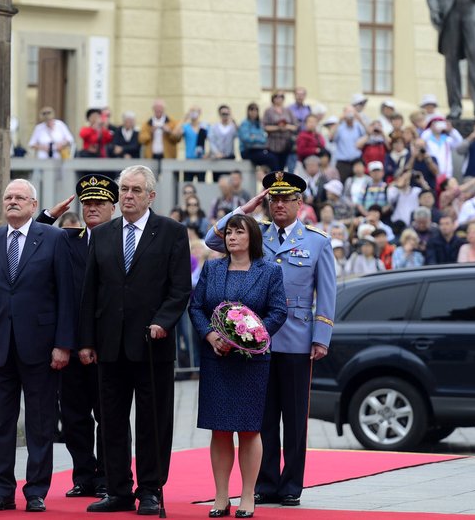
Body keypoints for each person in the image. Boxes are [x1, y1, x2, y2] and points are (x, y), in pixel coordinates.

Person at [204, 171, 336, 508]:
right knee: (260, 417)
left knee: (293, 416)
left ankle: (291, 483)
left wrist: (321, 336)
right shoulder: (256, 232)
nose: (278, 204)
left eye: (285, 199)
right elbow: (213, 240)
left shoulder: (317, 240)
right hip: (251, 341)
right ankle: (265, 482)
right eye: (272, 199)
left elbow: (327, 292)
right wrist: (245, 210)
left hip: (295, 337)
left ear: (298, 203)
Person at [79, 165, 192, 515]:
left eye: (135, 190)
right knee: (111, 420)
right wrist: (86, 341)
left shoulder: (172, 232)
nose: (127, 196)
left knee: (152, 422)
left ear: (151, 196)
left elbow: (180, 288)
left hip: (151, 344)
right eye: (124, 190)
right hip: (109, 343)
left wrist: (163, 322)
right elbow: (90, 292)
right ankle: (117, 490)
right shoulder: (102, 234)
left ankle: (150, 490)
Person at [0, 179, 75, 513]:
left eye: (19, 197)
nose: (12, 201)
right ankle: (1, 490)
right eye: (7, 197)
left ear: (33, 204)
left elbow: (66, 297)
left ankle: (36, 491)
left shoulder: (55, 238)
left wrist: (63, 344)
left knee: (41, 424)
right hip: (0, 346)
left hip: (42, 348)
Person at [189, 215, 287, 519]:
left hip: (251, 362)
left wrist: (250, 337)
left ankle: (247, 496)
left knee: (248, 429)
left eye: (238, 232)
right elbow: (196, 306)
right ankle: (220, 497)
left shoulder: (270, 271)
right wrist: (210, 335)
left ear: (252, 237)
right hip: (216, 357)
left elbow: (278, 311)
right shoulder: (213, 267)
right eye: (229, 232)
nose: (231, 237)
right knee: (219, 429)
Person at [36, 174, 128, 500]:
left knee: (108, 415)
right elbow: (32, 238)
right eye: (87, 203)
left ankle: (107, 477)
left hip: (107, 346)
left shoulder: (122, 240)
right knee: (74, 417)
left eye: (99, 203)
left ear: (112, 208)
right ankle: (83, 475)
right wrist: (48, 215)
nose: (91, 208)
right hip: (72, 344)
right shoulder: (67, 239)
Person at [238, 102, 272, 168]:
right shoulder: (244, 123)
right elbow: (246, 138)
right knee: (271, 159)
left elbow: (264, 139)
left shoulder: (259, 123)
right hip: (247, 151)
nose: (254, 112)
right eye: (251, 110)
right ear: (248, 111)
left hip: (259, 149)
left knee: (273, 157)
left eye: (256, 110)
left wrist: (254, 137)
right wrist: (257, 138)